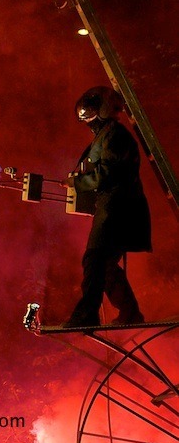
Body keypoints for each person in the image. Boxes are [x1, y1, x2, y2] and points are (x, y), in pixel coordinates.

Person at [61, 85, 151, 328]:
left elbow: (108, 173)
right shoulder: (107, 134)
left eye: (91, 114)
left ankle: (86, 314)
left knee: (94, 260)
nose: (88, 120)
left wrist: (78, 182)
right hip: (116, 207)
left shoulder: (113, 134)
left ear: (103, 109)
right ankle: (130, 313)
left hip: (117, 208)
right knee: (106, 265)